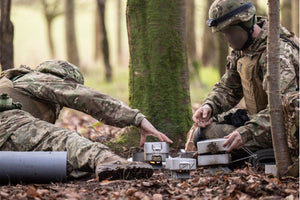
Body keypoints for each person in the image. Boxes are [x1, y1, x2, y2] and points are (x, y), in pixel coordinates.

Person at [0, 60, 173, 180]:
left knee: (58, 160)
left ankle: (87, 168)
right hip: (7, 124)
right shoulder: (39, 79)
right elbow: (87, 98)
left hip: (7, 140)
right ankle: (107, 160)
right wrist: (136, 118)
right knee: (66, 140)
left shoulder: (14, 81)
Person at [191, 0, 299, 173]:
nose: (227, 39)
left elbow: (281, 110)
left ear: (247, 24)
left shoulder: (278, 54)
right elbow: (228, 87)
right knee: (203, 135)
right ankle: (258, 155)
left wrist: (246, 133)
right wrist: (209, 106)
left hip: (288, 130)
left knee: (223, 143)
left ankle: (272, 156)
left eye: (231, 32)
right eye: (223, 33)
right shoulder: (244, 49)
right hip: (263, 125)